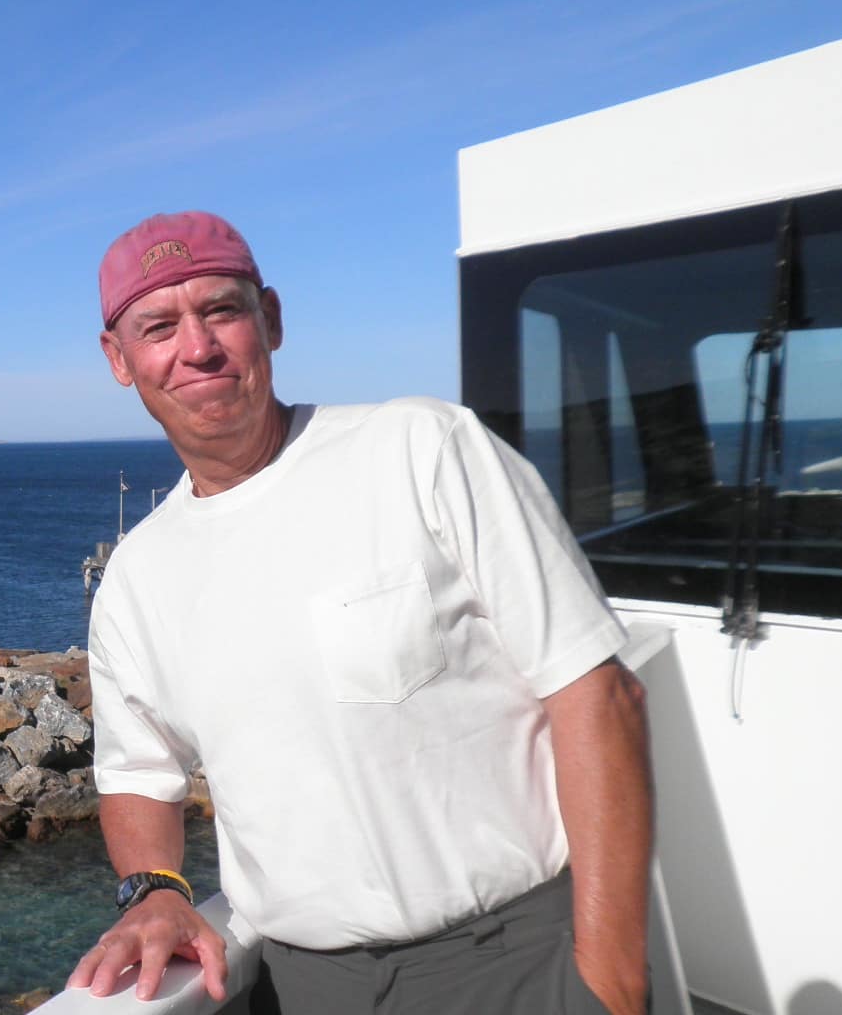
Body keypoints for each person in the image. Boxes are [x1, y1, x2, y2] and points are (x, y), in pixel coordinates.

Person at [64, 211, 652, 1014]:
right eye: (158, 326)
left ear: (269, 319)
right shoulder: (137, 576)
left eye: (222, 311)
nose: (196, 347)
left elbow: (598, 695)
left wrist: (611, 980)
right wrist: (157, 889)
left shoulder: (421, 450)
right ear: (119, 359)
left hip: (517, 960)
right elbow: (136, 772)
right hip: (307, 987)